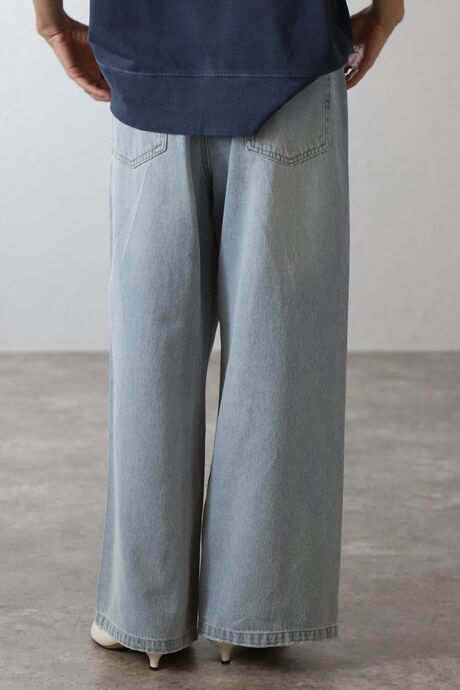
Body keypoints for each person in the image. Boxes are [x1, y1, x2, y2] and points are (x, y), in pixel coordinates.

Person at [32, 0, 405, 671]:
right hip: (288, 57)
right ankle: (254, 610)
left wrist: (50, 17)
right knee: (280, 352)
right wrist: (388, 9)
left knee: (150, 352)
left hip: (147, 64)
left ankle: (143, 614)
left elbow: (52, 17)